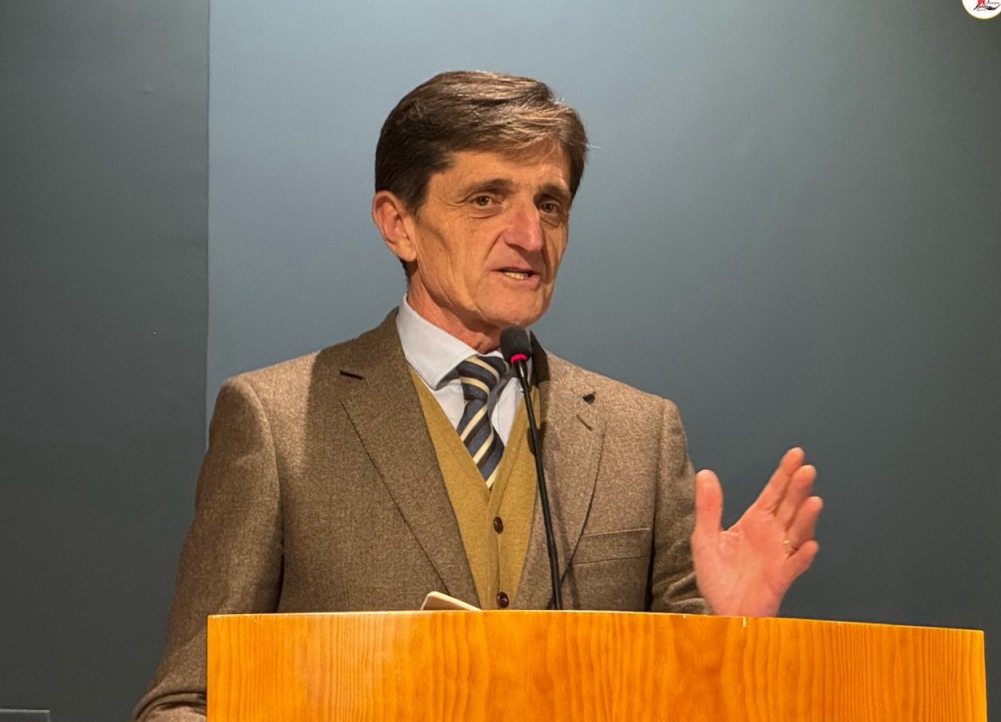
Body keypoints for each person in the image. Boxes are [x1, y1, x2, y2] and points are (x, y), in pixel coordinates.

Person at [132, 70, 822, 721]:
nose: (530, 236)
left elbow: (686, 698)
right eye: (486, 199)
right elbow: (186, 700)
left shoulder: (641, 433)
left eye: (549, 204)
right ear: (398, 224)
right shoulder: (275, 421)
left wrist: (734, 636)